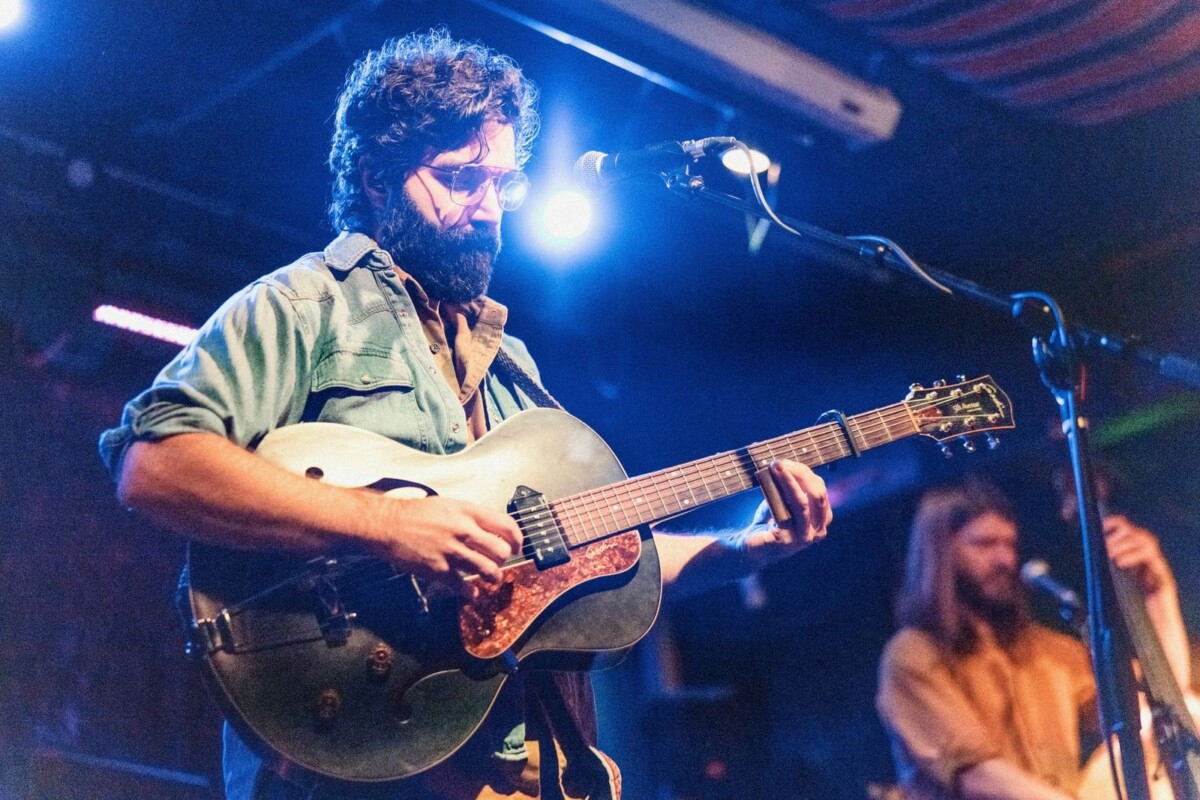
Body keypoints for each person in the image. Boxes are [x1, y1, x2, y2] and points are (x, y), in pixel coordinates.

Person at [98, 29, 833, 800]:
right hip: (348, 759)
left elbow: (591, 560)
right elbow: (155, 464)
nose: (488, 209)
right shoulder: (305, 303)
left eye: (504, 183)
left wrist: (746, 550)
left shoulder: (514, 367)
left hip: (511, 769)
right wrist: (389, 526)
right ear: (378, 179)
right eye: (459, 178)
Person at [875, 478, 1191, 800]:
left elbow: (1160, 703)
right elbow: (977, 774)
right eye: (984, 544)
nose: (1004, 560)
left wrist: (1158, 594)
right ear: (940, 554)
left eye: (1009, 545)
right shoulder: (911, 655)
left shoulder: (1042, 649)